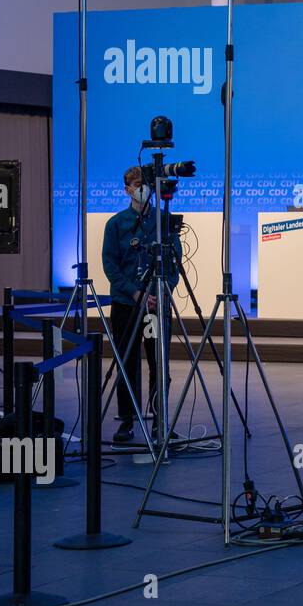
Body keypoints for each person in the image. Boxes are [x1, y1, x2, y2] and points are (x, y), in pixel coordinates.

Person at [102, 165, 181, 443]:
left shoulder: (164, 221)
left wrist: (163, 289)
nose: (141, 189)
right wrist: (135, 293)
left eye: (144, 184)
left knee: (159, 363)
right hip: (127, 304)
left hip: (156, 306)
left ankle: (160, 419)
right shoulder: (116, 224)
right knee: (127, 361)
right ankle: (126, 419)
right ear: (127, 190)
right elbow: (110, 266)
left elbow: (175, 263)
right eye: (136, 185)